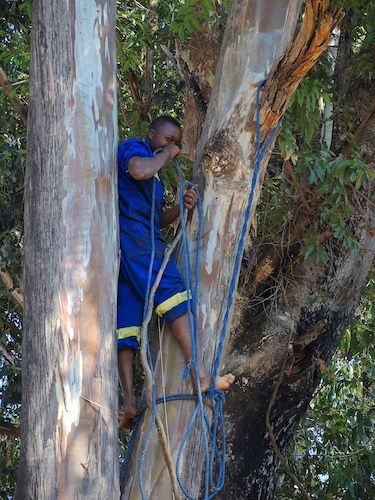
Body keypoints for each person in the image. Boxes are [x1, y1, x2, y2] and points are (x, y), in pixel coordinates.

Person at [117, 115, 235, 429]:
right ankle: (199, 372)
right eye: (168, 139)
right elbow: (138, 170)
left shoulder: (155, 183)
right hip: (136, 242)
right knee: (173, 289)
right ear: (152, 134)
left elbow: (156, 219)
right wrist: (165, 155)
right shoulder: (134, 150)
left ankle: (128, 401)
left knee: (126, 325)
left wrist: (181, 208)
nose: (173, 145)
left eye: (176, 142)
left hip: (140, 242)